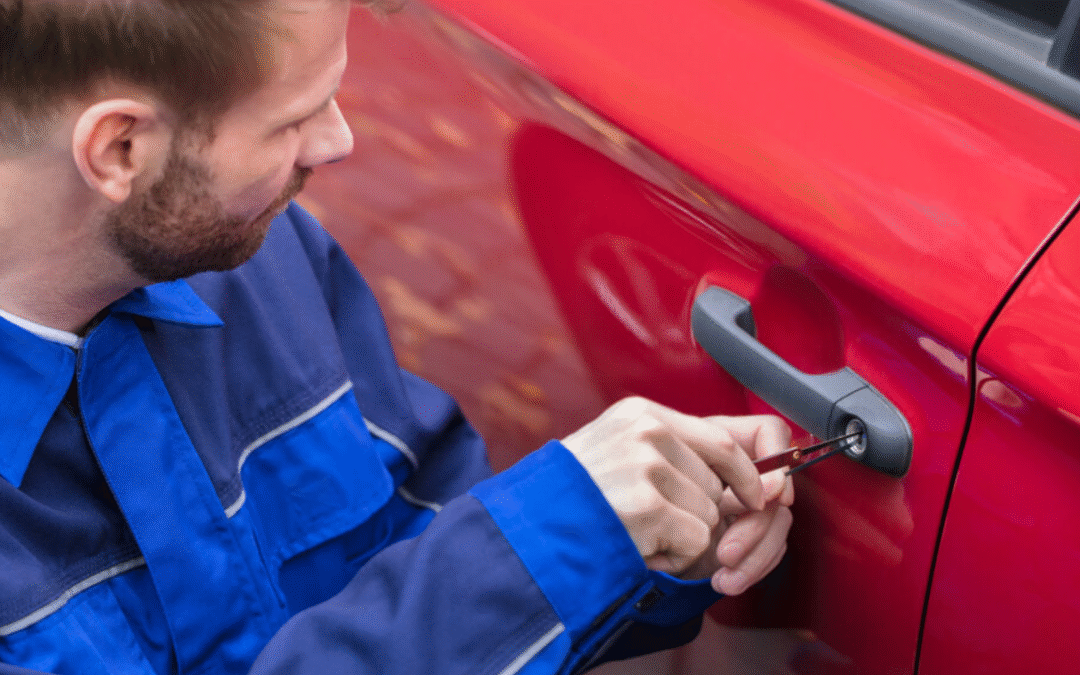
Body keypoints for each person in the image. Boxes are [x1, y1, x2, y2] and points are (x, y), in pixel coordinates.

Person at [0, 1, 795, 673]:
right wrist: (553, 535)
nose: (338, 141)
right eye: (293, 118)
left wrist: (636, 536)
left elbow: (427, 533)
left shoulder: (271, 267)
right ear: (121, 149)